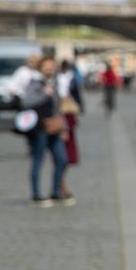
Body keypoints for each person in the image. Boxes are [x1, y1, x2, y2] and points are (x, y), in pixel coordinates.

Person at [22, 56, 72, 207]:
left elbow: (58, 108)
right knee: (38, 159)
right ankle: (36, 194)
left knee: (62, 159)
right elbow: (26, 102)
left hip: (54, 127)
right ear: (40, 68)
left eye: (52, 66)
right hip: (39, 127)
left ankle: (56, 192)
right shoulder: (35, 83)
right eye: (46, 66)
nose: (50, 69)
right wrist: (44, 94)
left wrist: (64, 127)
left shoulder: (54, 83)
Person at [57, 59, 83, 202]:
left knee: (65, 157)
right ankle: (60, 187)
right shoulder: (55, 80)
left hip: (69, 114)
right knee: (60, 157)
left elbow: (77, 94)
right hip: (58, 119)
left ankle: (60, 186)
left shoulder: (71, 77)